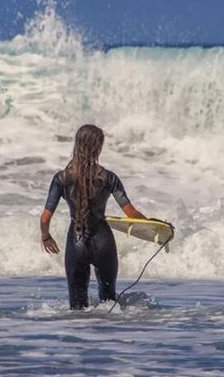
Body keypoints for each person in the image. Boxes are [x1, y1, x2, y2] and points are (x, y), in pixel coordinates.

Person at [40, 124, 148, 310]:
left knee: (77, 308)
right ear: (97, 148)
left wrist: (46, 236)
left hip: (76, 242)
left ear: (77, 145)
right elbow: (131, 213)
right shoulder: (108, 177)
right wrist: (153, 226)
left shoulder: (61, 178)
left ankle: (81, 338)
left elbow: (44, 218)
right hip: (104, 243)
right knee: (109, 304)